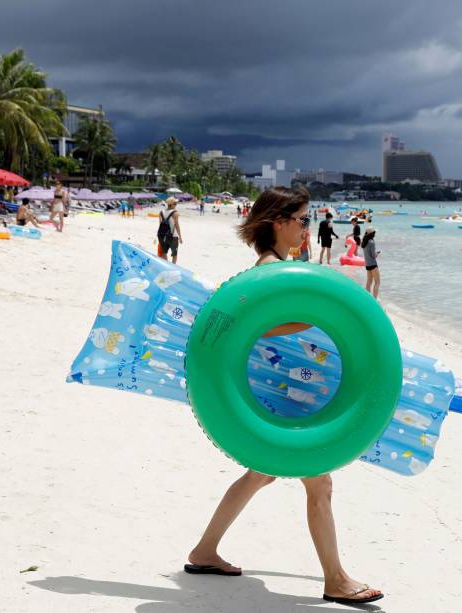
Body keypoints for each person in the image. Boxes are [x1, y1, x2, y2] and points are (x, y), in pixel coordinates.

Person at [185, 186, 383, 606]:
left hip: (282, 386)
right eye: (302, 220)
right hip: (277, 389)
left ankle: (204, 552)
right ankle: (336, 579)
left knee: (263, 472)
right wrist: (319, 318)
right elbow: (257, 326)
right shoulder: (268, 266)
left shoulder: (283, 266)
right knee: (319, 480)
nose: (307, 228)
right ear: (279, 222)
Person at [157, 197, 183, 264]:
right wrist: (180, 237)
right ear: (172, 204)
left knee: (164, 252)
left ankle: (166, 265)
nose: (176, 205)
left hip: (162, 235)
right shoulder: (175, 213)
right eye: (175, 203)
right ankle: (173, 266)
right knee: (174, 254)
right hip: (173, 236)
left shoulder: (161, 212)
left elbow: (160, 224)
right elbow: (177, 226)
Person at [361, 226, 381, 298]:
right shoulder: (371, 242)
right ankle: (374, 300)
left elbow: (368, 254)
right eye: (374, 232)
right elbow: (373, 255)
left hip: (367, 265)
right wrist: (377, 253)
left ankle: (367, 298)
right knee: (377, 282)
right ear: (372, 233)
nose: (375, 234)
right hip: (373, 264)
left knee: (369, 282)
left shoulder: (364, 242)